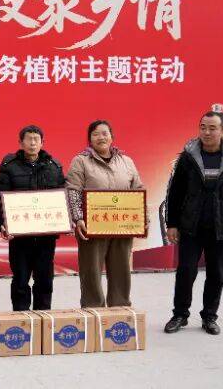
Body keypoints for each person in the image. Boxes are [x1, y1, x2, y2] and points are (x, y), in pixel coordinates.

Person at [164, 110, 223, 335]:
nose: (207, 132)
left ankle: (209, 317)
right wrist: (172, 223)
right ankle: (180, 315)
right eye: (203, 127)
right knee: (185, 272)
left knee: (216, 274)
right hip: (191, 227)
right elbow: (175, 193)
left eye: (213, 128)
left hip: (222, 228)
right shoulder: (188, 157)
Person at [67, 119, 147, 308]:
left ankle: (120, 308)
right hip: (91, 226)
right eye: (95, 134)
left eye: (105, 133)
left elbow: (138, 190)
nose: (101, 137)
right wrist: (78, 218)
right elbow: (73, 190)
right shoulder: (81, 161)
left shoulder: (126, 162)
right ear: (89, 139)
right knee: (91, 271)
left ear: (112, 137)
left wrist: (144, 218)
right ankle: (93, 310)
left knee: (121, 269)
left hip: (122, 225)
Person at [0, 124, 66, 311]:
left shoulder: (54, 167)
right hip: (20, 237)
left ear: (42, 143)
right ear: (21, 143)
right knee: (20, 279)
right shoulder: (9, 166)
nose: (33, 143)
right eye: (29, 139)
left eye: (36, 139)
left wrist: (65, 221)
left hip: (46, 237)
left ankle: (43, 318)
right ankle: (21, 320)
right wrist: (1, 223)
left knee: (45, 279)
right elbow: (0, 197)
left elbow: (62, 198)